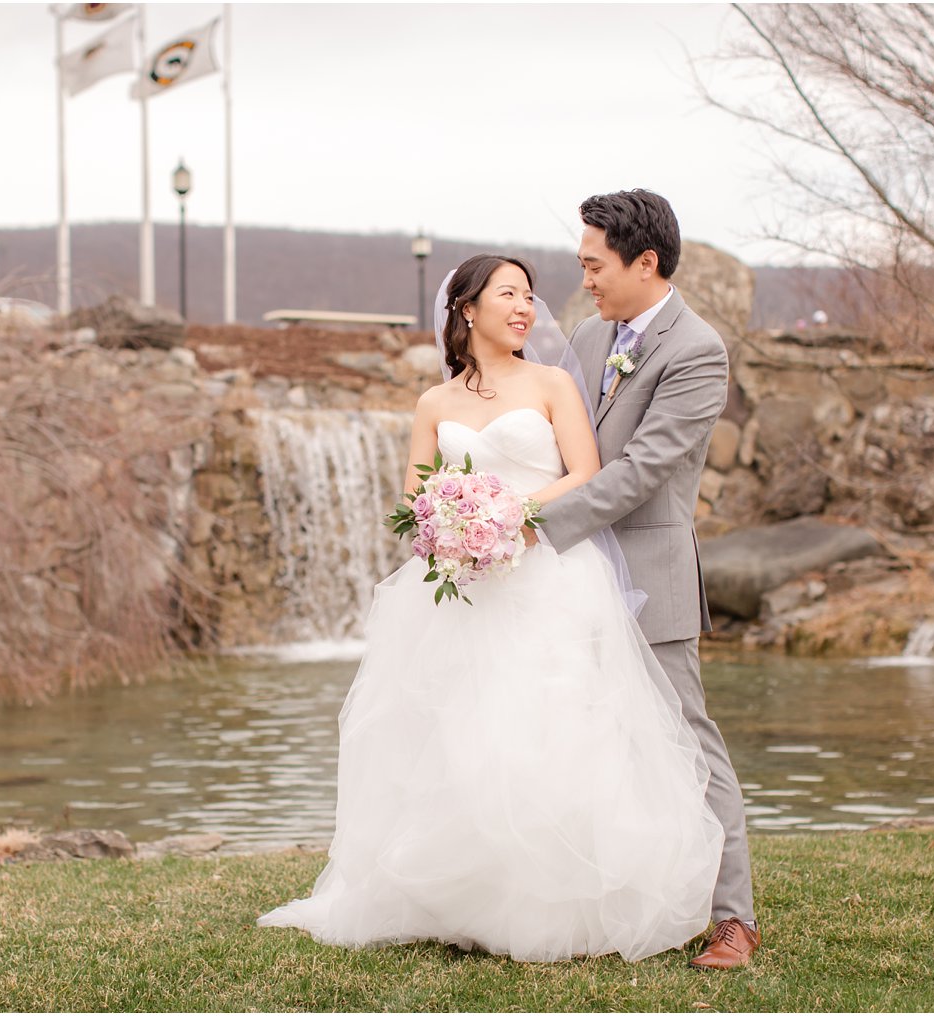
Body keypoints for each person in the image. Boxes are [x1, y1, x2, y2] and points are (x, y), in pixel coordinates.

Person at [257, 252, 724, 963]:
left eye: (530, 296)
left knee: (553, 727)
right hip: (464, 586)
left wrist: (510, 516)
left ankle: (563, 902)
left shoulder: (554, 383)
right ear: (467, 309)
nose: (525, 308)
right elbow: (415, 501)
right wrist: (445, 524)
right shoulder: (433, 405)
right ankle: (468, 897)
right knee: (462, 735)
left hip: (550, 577)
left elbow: (586, 474)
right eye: (509, 294)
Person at [533, 189, 758, 969]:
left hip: (646, 575)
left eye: (595, 263)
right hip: (570, 581)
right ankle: (609, 900)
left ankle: (734, 918)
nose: (586, 277)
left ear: (646, 262)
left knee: (687, 742)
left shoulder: (697, 349)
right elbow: (559, 443)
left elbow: (641, 471)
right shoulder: (590, 337)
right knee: (583, 735)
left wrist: (533, 523)